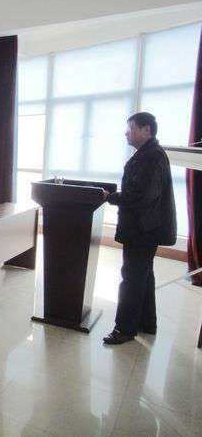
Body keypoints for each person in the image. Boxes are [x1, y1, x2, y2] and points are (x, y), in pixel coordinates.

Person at [102, 112, 176, 345]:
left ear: (146, 130)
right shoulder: (149, 153)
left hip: (143, 229)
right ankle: (146, 322)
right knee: (144, 275)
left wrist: (110, 197)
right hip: (146, 227)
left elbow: (142, 195)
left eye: (131, 128)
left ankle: (124, 329)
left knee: (132, 278)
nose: (127, 132)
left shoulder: (152, 156)